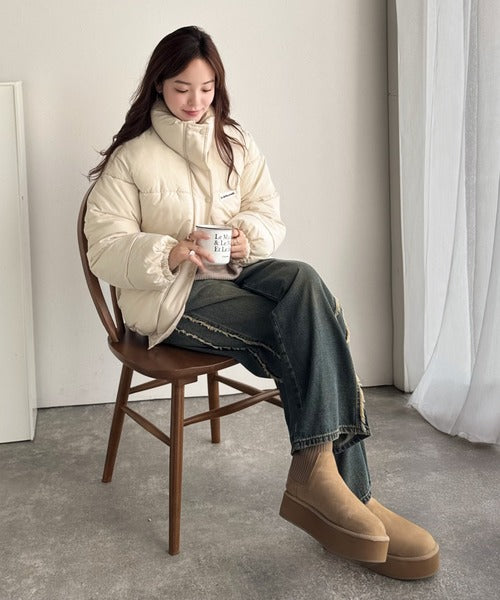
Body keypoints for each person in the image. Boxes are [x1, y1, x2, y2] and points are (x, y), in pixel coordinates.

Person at [84, 25, 439, 580]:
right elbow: (104, 248)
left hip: (235, 274)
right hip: (172, 295)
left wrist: (246, 235)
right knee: (309, 328)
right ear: (158, 85)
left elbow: (267, 212)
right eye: (181, 89)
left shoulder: (234, 142)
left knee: (305, 284)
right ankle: (353, 494)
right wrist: (168, 252)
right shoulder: (132, 158)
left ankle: (323, 478)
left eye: (206, 89)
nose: (195, 102)